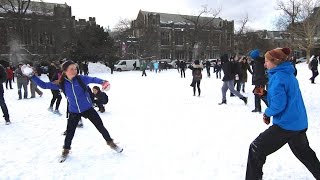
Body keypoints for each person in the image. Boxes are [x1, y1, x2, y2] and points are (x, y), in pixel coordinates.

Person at [245, 47, 320, 179]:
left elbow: (278, 105)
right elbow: (281, 100)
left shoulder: (278, 78)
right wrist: (265, 95)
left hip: (286, 124)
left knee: (256, 149)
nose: (264, 64)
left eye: (267, 61)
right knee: (305, 154)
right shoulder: (286, 74)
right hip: (298, 123)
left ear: (275, 62)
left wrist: (267, 113)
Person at [28, 60, 123, 158]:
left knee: (100, 127)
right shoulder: (62, 83)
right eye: (71, 69)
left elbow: (93, 79)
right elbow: (44, 85)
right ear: (65, 71)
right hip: (74, 111)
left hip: (87, 108)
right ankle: (66, 150)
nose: (74, 70)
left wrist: (103, 82)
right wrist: (32, 76)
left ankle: (112, 144)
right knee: (70, 132)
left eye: (75, 68)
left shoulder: (81, 79)